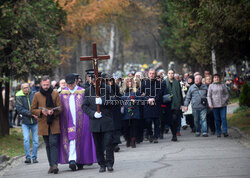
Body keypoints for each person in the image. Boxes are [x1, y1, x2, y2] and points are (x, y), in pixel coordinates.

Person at [58, 73, 97, 171]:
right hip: (67, 120)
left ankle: (80, 161)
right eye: (69, 84)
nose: (70, 85)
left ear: (76, 82)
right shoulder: (62, 94)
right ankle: (72, 160)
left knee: (82, 140)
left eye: (72, 83)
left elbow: (87, 105)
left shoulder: (82, 92)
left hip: (82, 120)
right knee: (71, 139)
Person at [82, 71, 115, 173]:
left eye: (97, 80)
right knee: (98, 145)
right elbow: (84, 106)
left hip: (106, 120)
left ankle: (109, 163)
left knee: (108, 143)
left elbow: (114, 101)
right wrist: (92, 114)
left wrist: (103, 101)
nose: (94, 82)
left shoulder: (108, 88)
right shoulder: (87, 91)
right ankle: (102, 164)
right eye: (93, 80)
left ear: (100, 79)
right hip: (95, 122)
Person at [31, 76, 62, 174]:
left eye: (47, 85)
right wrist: (41, 112)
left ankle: (55, 165)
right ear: (41, 84)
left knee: (53, 143)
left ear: (50, 84)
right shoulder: (37, 95)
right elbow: (32, 109)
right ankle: (51, 165)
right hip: (43, 123)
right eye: (44, 85)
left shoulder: (55, 93)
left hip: (54, 122)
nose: (45, 86)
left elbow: (61, 108)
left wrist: (54, 112)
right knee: (48, 145)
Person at [16, 83, 39, 163]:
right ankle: (28, 157)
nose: (26, 89)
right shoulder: (19, 96)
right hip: (25, 121)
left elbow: (38, 105)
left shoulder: (34, 94)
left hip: (35, 122)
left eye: (27, 87)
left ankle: (34, 157)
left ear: (29, 88)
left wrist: (37, 113)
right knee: (26, 139)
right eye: (24, 88)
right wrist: (31, 114)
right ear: (22, 89)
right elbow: (20, 108)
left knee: (35, 140)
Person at [160, 69, 183, 141]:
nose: (171, 74)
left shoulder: (177, 82)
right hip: (167, 104)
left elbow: (180, 93)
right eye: (169, 73)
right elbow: (161, 93)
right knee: (169, 120)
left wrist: (181, 104)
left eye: (172, 73)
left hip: (176, 104)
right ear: (167, 74)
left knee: (175, 119)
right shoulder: (164, 82)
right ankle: (171, 132)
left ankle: (174, 135)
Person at [141, 68, 161, 143]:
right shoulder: (144, 83)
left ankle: (156, 137)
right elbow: (141, 94)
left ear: (155, 74)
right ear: (148, 74)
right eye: (150, 73)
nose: (152, 75)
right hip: (147, 106)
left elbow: (160, 93)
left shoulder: (158, 83)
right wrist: (147, 99)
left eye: (153, 73)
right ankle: (150, 134)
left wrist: (154, 99)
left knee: (156, 122)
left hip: (156, 105)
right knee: (148, 121)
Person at [121, 78, 141, 148]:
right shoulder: (122, 92)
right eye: (127, 82)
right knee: (125, 127)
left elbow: (140, 100)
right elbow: (119, 100)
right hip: (125, 112)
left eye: (130, 81)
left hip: (134, 111)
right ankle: (128, 139)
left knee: (134, 126)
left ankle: (133, 140)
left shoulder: (136, 91)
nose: (129, 83)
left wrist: (135, 101)